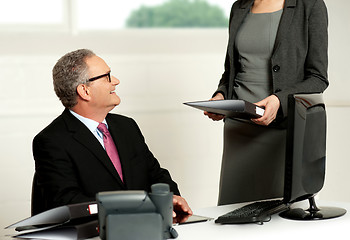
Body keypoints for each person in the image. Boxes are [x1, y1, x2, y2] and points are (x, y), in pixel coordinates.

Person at [32, 49, 192, 218]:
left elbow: (156, 175)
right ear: (84, 91)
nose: (116, 81)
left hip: (144, 228)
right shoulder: (51, 141)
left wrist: (170, 197)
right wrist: (135, 208)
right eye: (107, 76)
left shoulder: (126, 126)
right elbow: (68, 202)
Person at [204, 0, 328, 204]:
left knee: (280, 215)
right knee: (233, 212)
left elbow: (318, 78)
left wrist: (279, 100)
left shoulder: (310, 5)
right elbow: (231, 71)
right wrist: (221, 97)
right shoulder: (239, 7)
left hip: (283, 128)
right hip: (238, 128)